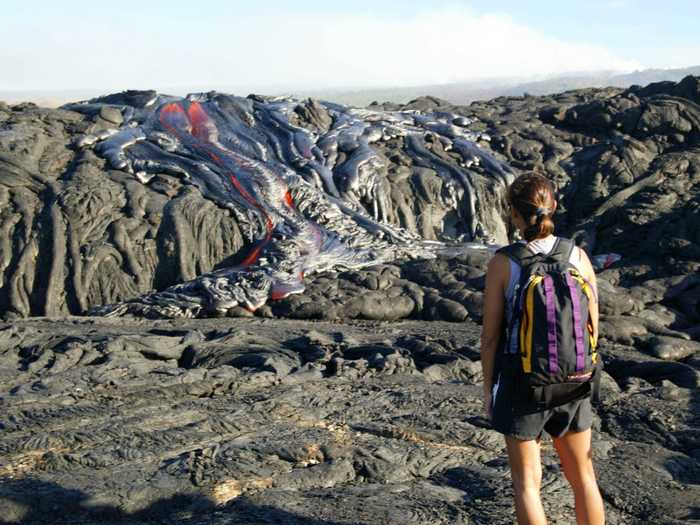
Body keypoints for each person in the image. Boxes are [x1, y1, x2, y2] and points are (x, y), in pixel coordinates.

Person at [480, 173, 605, 525]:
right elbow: (593, 324)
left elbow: (490, 338)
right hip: (576, 378)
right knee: (583, 477)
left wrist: (490, 391)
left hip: (524, 383)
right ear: (553, 206)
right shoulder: (577, 256)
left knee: (527, 486)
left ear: (514, 216)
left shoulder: (505, 263)